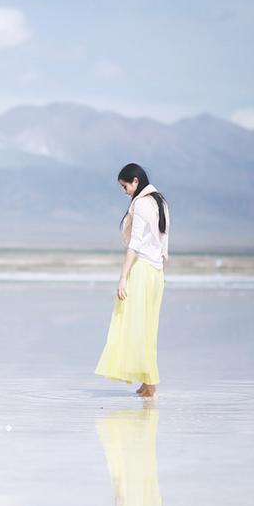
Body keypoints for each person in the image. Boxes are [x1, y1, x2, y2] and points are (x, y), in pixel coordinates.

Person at [94, 163, 169, 397]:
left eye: (125, 186)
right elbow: (163, 243)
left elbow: (135, 244)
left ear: (136, 181)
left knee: (132, 324)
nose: (124, 191)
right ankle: (148, 381)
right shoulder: (160, 202)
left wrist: (123, 277)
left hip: (143, 270)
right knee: (148, 327)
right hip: (156, 273)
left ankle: (150, 384)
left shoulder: (142, 204)